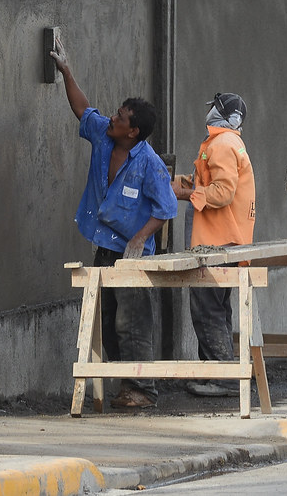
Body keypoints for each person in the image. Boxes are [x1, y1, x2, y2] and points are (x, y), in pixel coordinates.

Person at [50, 38, 177, 409]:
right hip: (105, 247)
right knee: (105, 320)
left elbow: (165, 208)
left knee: (132, 322)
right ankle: (123, 385)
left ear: (133, 131)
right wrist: (66, 71)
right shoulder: (104, 138)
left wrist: (138, 241)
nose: (113, 119)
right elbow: (82, 108)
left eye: (121, 118)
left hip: (133, 254)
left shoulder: (149, 163)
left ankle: (142, 389)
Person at [172, 92, 256, 397]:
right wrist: (187, 183)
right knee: (218, 309)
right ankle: (219, 374)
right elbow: (213, 184)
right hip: (226, 241)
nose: (209, 111)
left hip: (217, 242)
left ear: (226, 116)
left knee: (207, 308)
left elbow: (222, 192)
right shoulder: (227, 142)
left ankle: (222, 379)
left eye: (215, 108)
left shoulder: (222, 144)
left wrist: (186, 194)